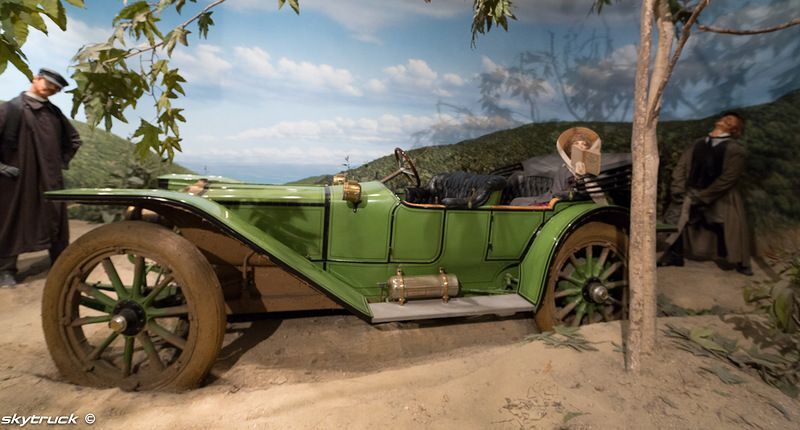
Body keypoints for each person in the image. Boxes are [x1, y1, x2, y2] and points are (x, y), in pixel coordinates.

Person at [0, 68, 82, 287]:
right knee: (14, 220)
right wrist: (1, 166)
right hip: (17, 179)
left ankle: (61, 262)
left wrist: (59, 162)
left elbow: (73, 140)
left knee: (54, 219)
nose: (52, 88)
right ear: (35, 79)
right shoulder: (12, 109)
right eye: (48, 83)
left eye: (56, 87)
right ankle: (6, 270)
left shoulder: (54, 113)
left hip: (49, 178)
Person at [659, 112, 752, 275]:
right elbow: (681, 166)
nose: (725, 119)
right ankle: (674, 255)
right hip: (692, 190)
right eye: (725, 117)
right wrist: (678, 188)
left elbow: (728, 179)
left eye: (730, 120)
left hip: (721, 195)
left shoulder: (736, 150)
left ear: (735, 129)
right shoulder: (698, 143)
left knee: (731, 225)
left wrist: (703, 196)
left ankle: (741, 262)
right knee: (674, 218)